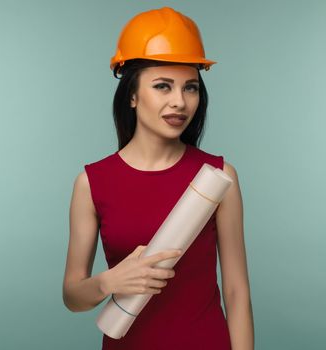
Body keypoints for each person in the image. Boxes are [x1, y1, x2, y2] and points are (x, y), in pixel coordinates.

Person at [62, 6, 254, 350]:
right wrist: (109, 281)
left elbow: (237, 293)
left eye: (190, 88)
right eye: (163, 86)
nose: (179, 102)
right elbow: (73, 296)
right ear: (132, 95)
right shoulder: (92, 183)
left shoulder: (218, 177)